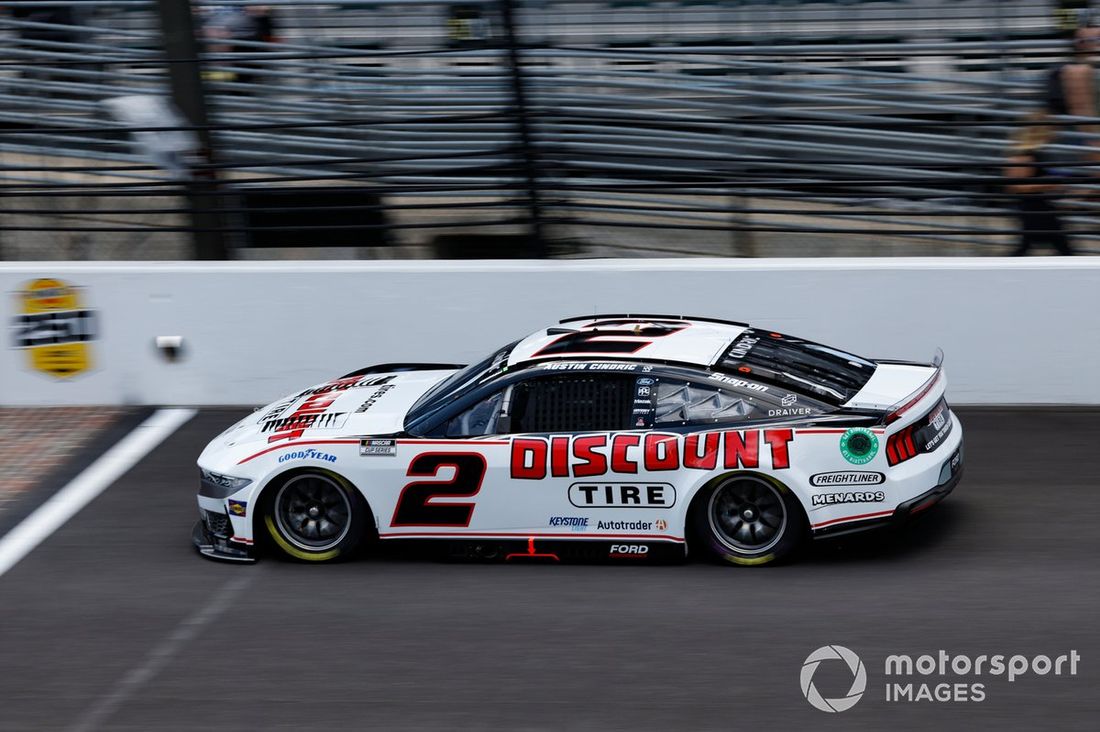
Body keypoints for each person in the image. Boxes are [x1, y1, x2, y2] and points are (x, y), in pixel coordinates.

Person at [1004, 115, 1074, 256]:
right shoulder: (1024, 155)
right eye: (1051, 129)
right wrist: (1047, 184)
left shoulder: (1034, 152)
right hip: (1033, 209)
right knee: (1062, 248)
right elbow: (1015, 187)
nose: (1055, 133)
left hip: (1037, 208)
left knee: (1026, 248)